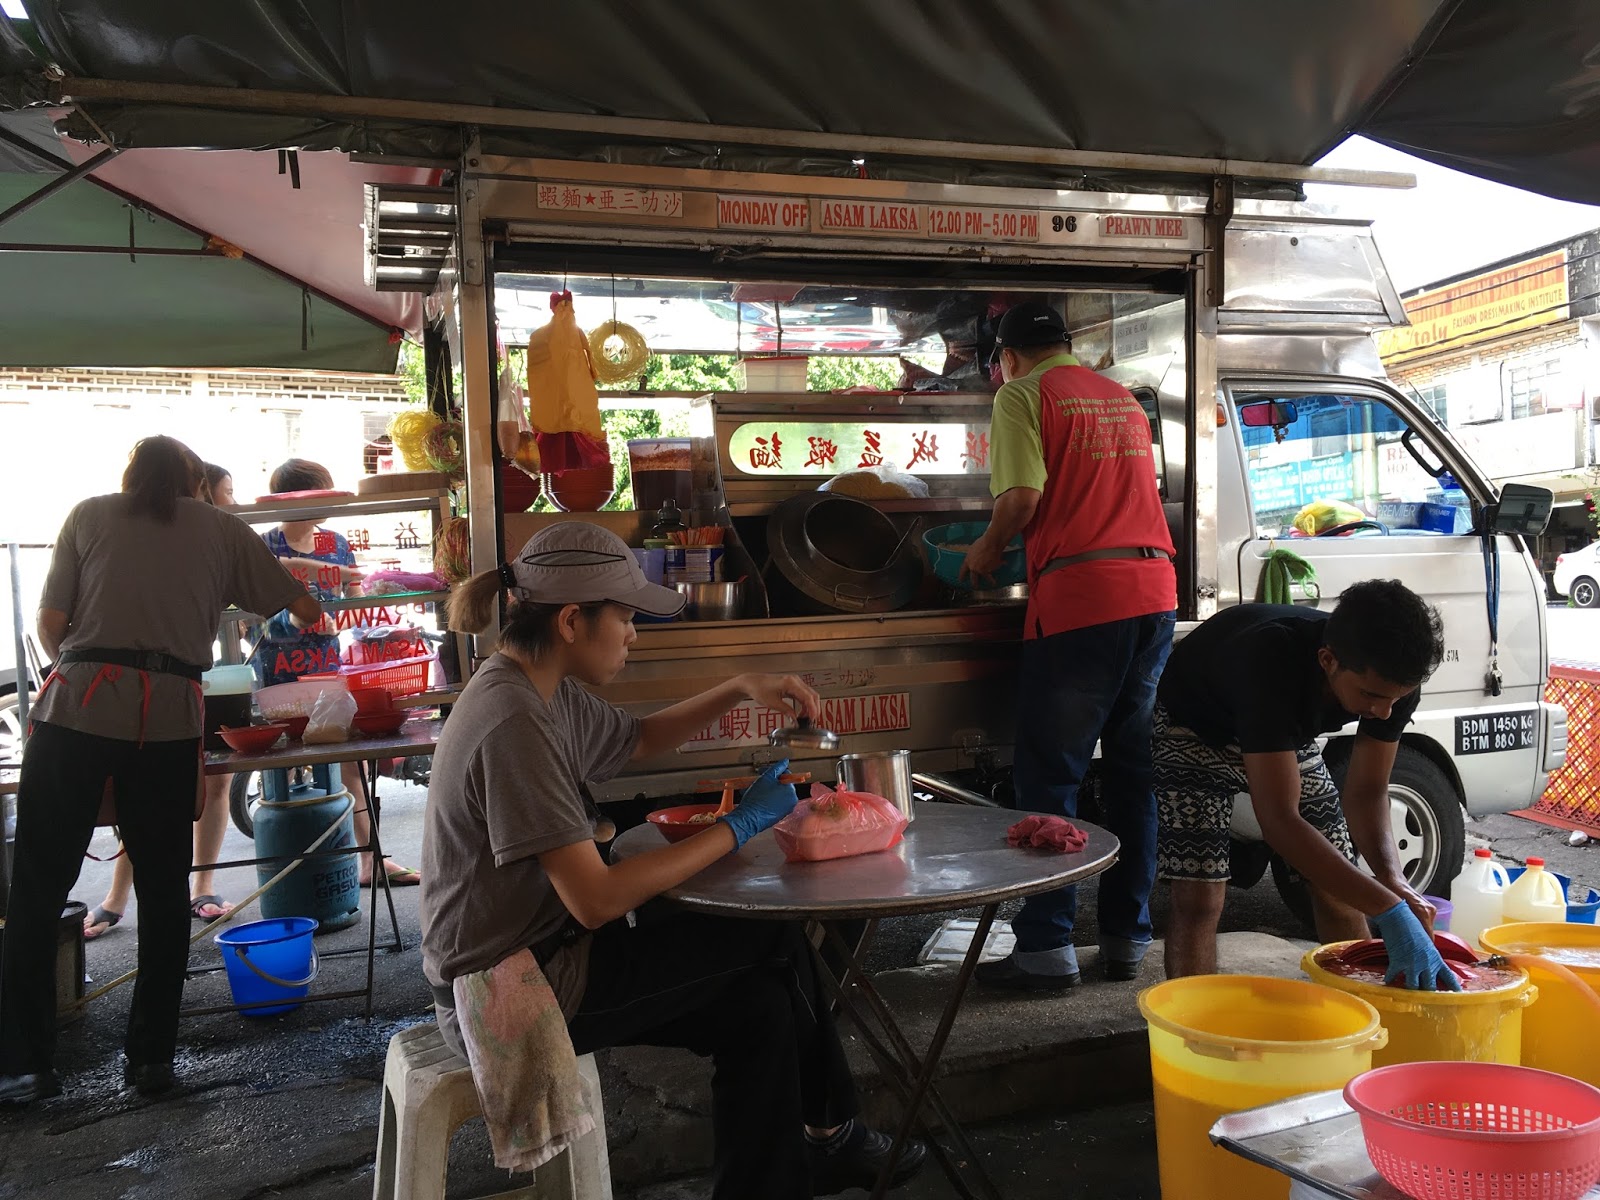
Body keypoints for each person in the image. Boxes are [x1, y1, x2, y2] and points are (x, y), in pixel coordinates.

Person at [423, 523, 927, 1198]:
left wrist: (741, 686)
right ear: (573, 620)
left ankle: (811, 1151)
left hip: (549, 953)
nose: (633, 634)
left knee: (761, 1010)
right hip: (514, 989)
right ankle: (834, 1133)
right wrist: (741, 825)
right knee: (774, 936)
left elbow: (636, 740)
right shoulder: (514, 721)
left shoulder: (539, 687)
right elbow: (596, 898)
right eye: (626, 619)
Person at [0, 437, 320, 1106]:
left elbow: (50, 625)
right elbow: (299, 605)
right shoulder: (219, 526)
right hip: (169, 719)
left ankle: (24, 1067)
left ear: (130, 478)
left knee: (34, 890)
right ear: (197, 483)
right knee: (166, 894)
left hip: (73, 712)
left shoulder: (88, 514)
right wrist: (302, 602)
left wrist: (93, 671)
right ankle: (150, 1062)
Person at [960, 300, 1177, 990]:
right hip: (1153, 596)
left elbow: (1021, 499)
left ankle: (1047, 950)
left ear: (1008, 357)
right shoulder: (1121, 398)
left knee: (1052, 780)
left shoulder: (1021, 395)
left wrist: (985, 551)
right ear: (1067, 346)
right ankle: (1126, 942)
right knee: (1132, 778)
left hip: (1084, 603)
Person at [1156, 580, 1457, 991]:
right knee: (1200, 896)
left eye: (1394, 699)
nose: (1382, 711)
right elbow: (1280, 821)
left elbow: (1368, 792)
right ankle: (1193, 1030)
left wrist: (1392, 881)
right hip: (1194, 723)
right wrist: (1388, 910)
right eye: (1370, 695)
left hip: (1281, 733)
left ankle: (1360, 1017)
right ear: (1327, 660)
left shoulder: (1391, 679)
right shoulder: (1269, 661)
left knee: (1341, 886)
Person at [83, 462, 244, 939]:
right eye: (227, 493)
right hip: (169, 689)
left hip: (222, 680)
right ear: (201, 496)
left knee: (214, 787)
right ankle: (117, 897)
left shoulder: (224, 539)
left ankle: (204, 886)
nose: (234, 502)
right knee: (147, 793)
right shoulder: (174, 537)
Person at [252, 458, 416, 888]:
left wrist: (347, 619)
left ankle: (370, 859)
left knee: (349, 761)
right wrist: (296, 622)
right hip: (278, 674)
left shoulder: (337, 544)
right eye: (321, 494)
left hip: (326, 668)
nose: (327, 504)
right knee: (283, 769)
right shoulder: (263, 547)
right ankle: (293, 877)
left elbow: (355, 598)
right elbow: (251, 619)